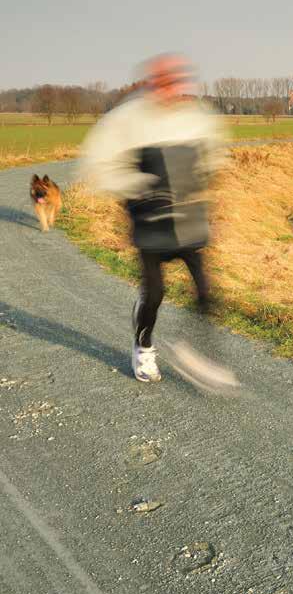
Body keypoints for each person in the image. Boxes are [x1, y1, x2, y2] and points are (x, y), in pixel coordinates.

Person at [80, 53, 236, 389]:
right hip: (150, 223)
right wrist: (139, 186)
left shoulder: (199, 118)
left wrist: (209, 179)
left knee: (206, 292)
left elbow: (217, 154)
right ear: (151, 83)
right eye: (165, 81)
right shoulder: (126, 120)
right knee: (155, 293)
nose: (173, 89)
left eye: (178, 81)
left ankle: (197, 354)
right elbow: (97, 167)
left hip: (190, 218)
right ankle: (144, 347)